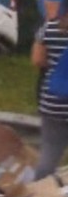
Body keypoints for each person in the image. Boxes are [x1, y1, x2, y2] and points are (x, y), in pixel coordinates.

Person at [30, 13, 68, 181]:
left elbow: (37, 60)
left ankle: (39, 192)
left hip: (53, 100)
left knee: (50, 153)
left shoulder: (50, 27)